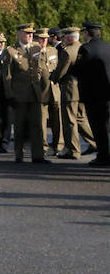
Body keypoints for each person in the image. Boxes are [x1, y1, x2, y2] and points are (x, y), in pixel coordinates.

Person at [4, 24, 51, 163]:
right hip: (19, 95)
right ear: (19, 34)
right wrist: (10, 95)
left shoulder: (37, 47)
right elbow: (7, 76)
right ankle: (19, 154)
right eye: (26, 33)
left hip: (35, 93)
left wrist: (45, 91)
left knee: (37, 125)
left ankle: (38, 155)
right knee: (20, 125)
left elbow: (42, 69)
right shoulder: (11, 51)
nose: (30, 35)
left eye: (31, 33)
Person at [51, 27, 97, 159]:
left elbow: (61, 70)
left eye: (64, 36)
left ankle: (73, 150)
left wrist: (54, 78)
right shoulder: (84, 48)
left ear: (70, 37)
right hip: (82, 89)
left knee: (69, 120)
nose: (63, 39)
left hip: (70, 89)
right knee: (81, 119)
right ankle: (96, 142)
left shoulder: (68, 51)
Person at [71, 21, 110, 167]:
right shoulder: (108, 47)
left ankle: (103, 156)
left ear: (86, 33)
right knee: (107, 126)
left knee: (98, 127)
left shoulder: (86, 49)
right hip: (107, 94)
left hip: (93, 95)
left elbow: (78, 70)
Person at [35, 28, 63, 155]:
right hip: (41, 91)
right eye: (41, 38)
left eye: (46, 38)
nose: (44, 41)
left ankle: (59, 146)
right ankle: (43, 146)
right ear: (36, 39)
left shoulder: (54, 51)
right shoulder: (32, 53)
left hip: (55, 90)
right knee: (41, 121)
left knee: (57, 120)